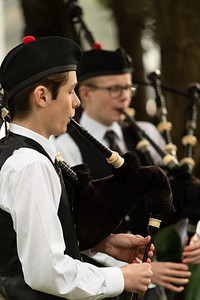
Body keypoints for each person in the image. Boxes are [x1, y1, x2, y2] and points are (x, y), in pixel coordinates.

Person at [0, 35, 156, 300]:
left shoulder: (17, 154)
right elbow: (46, 272)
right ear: (42, 96)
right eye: (71, 91)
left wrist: (100, 244)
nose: (77, 102)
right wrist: (121, 277)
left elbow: (22, 240)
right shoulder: (30, 165)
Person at [54, 47, 192, 300]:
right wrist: (132, 272)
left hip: (156, 270)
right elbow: (76, 224)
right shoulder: (65, 146)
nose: (124, 97)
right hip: (104, 280)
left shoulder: (146, 133)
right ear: (86, 93)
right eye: (114, 89)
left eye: (128, 88)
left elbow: (177, 190)